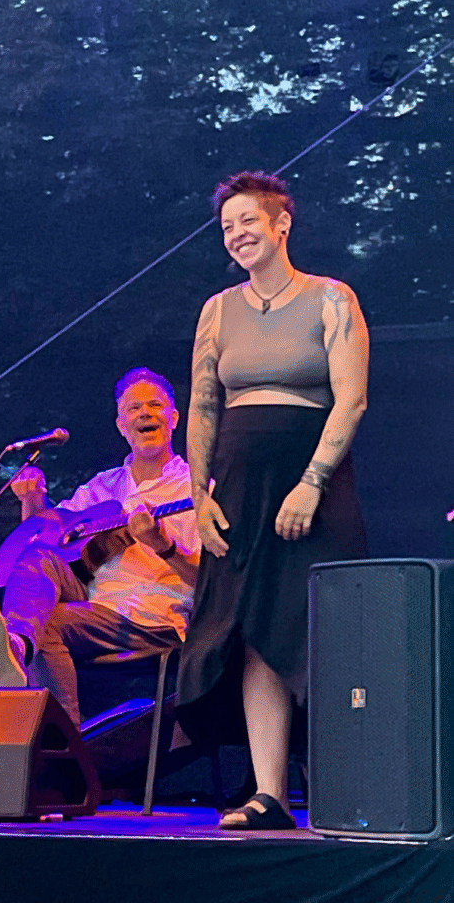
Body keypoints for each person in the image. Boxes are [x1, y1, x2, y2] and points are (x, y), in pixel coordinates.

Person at [176, 171, 368, 830]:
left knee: (318, 627)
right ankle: (268, 795)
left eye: (247, 221)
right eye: (226, 227)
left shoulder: (330, 298)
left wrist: (312, 482)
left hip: (311, 479)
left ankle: (345, 786)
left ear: (281, 224)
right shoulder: (217, 310)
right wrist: (198, 496)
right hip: (237, 484)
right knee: (250, 629)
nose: (236, 235)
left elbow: (351, 399)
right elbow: (203, 407)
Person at [0, 368, 200, 729]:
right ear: (121, 425)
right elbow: (46, 536)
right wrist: (32, 500)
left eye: (155, 405)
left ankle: (60, 749)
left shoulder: (195, 489)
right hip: (95, 603)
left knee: (45, 624)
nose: (145, 413)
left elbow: (210, 583)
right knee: (37, 567)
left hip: (154, 616)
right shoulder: (103, 486)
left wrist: (162, 545)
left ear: (174, 418)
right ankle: (17, 646)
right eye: (134, 408)